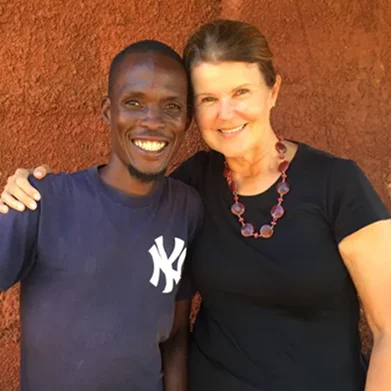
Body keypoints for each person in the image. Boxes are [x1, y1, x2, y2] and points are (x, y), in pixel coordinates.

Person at [2, 19, 391, 391]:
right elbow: (117, 205)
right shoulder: (193, 185)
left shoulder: (337, 183)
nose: (226, 113)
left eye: (241, 92)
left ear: (272, 91)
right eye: (208, 98)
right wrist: (28, 190)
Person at [0, 40, 203, 391]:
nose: (152, 122)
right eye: (134, 103)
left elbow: (175, 334)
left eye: (171, 106)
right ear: (108, 112)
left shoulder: (187, 207)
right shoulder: (42, 201)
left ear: (187, 119)